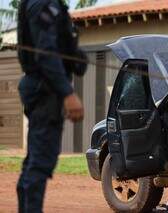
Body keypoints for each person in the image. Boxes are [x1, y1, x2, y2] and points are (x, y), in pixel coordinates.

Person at [16, 0, 87, 212]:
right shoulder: (43, 2)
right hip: (45, 90)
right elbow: (46, 53)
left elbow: (54, 46)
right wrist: (68, 93)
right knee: (39, 164)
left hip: (42, 87)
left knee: (35, 162)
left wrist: (75, 56)